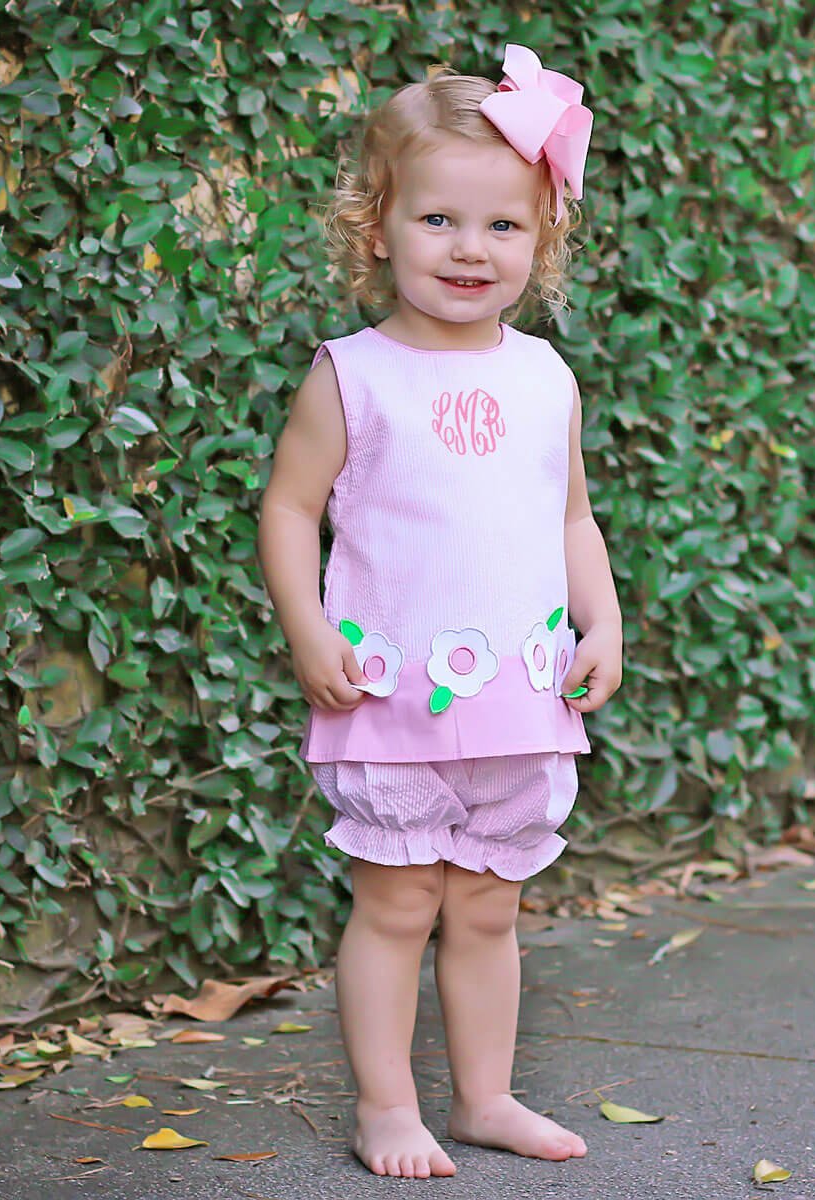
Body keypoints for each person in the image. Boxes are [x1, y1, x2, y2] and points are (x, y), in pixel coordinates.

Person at [257, 43, 622, 1180]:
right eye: (438, 221)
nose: (471, 248)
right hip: (392, 695)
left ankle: (485, 1098)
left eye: (503, 225)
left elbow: (571, 517)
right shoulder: (354, 374)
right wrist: (308, 628)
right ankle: (385, 1106)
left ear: (542, 238)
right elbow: (289, 508)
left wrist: (603, 622)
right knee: (398, 903)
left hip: (520, 698)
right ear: (377, 227)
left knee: (487, 913)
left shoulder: (545, 378)